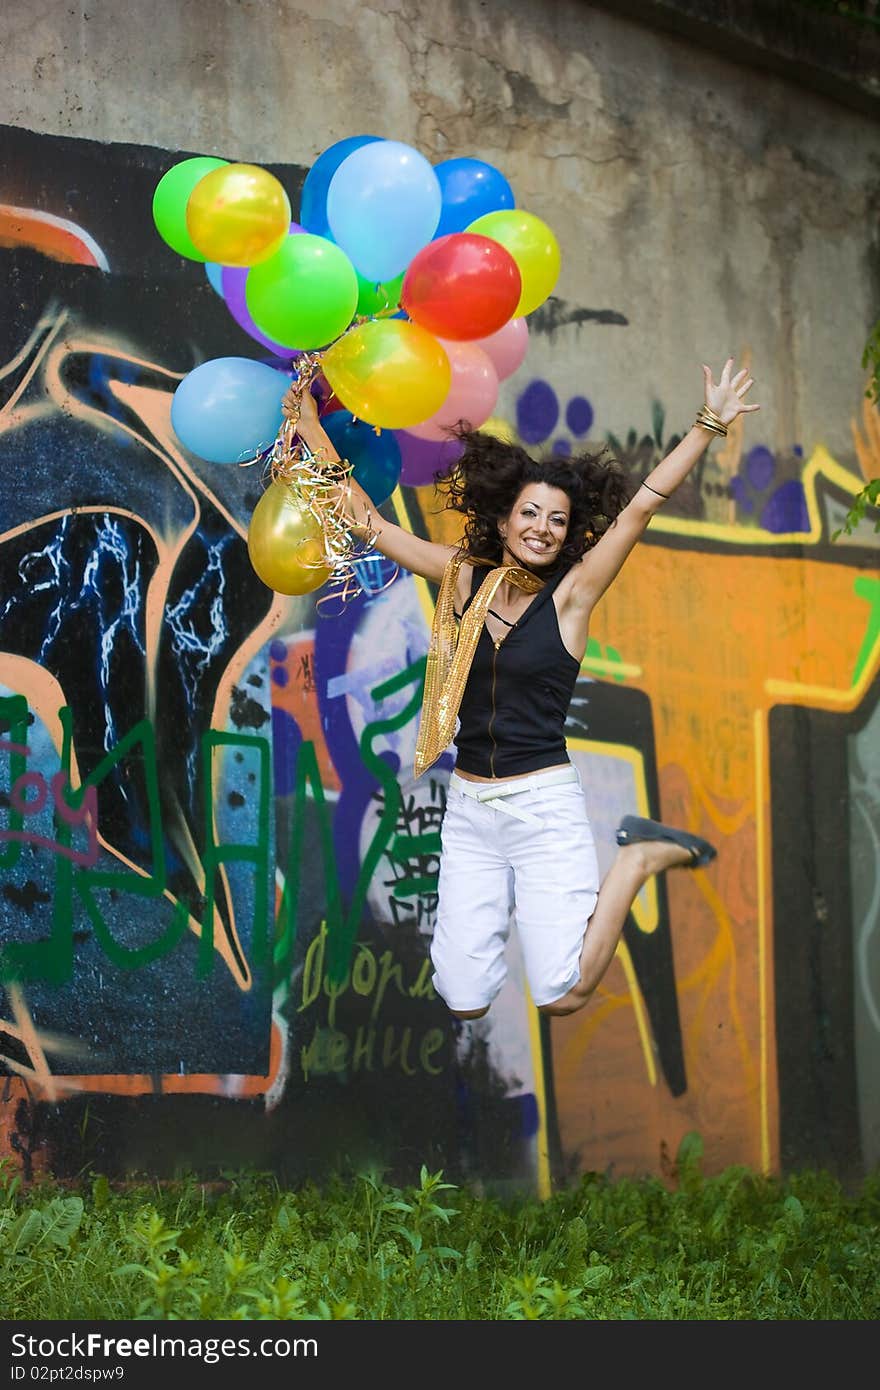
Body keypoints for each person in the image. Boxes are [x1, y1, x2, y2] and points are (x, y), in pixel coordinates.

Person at [283, 356, 759, 1020]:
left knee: (564, 994)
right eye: (529, 513)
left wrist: (708, 426)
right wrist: (309, 424)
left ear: (567, 535)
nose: (542, 527)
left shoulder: (572, 598)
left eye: (557, 520)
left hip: (542, 810)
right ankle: (598, 883)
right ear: (503, 522)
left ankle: (638, 859)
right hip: (472, 810)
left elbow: (640, 509)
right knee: (464, 999)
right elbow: (368, 522)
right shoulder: (460, 578)